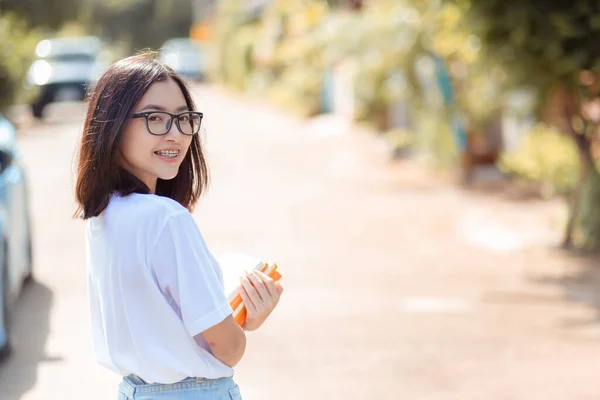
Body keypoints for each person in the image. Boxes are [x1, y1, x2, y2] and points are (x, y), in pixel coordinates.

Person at [73, 53, 283, 399]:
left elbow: (161, 327)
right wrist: (247, 321)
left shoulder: (103, 214)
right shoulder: (166, 220)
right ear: (113, 123)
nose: (175, 135)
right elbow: (227, 348)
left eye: (183, 119)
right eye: (155, 118)